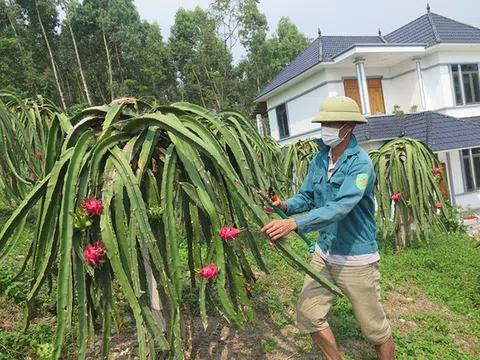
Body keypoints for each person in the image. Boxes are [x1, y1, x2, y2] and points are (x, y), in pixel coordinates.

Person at [261, 96, 394, 360]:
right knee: (309, 315)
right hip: (324, 253)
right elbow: (308, 196)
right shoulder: (320, 158)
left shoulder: (360, 164)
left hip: (356, 257)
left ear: (348, 127)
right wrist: (286, 206)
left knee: (374, 329)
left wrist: (294, 223)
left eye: (331, 123)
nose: (325, 128)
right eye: (323, 122)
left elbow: (340, 207)